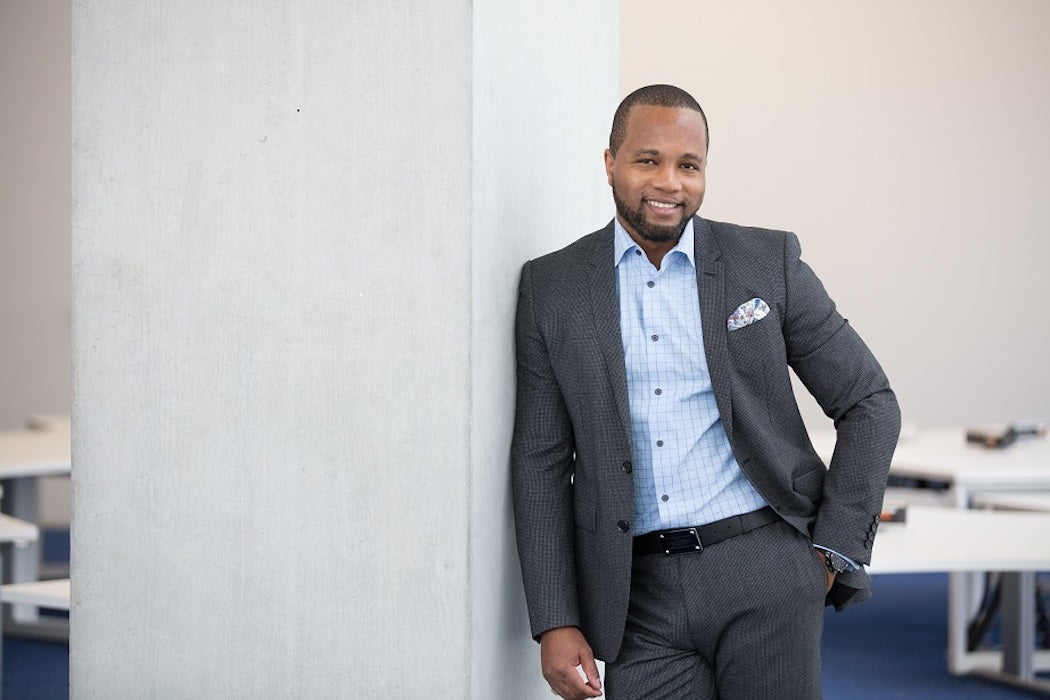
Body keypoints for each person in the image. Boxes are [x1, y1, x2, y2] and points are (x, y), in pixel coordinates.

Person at [511, 84, 901, 699]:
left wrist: (830, 552)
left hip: (763, 567)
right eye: (648, 160)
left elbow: (870, 401)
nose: (670, 182)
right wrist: (556, 619)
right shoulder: (551, 288)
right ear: (610, 164)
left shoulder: (765, 261)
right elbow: (539, 463)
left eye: (688, 165)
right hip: (634, 595)